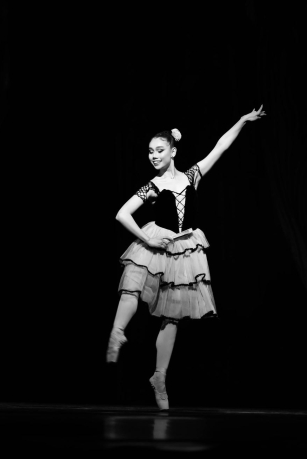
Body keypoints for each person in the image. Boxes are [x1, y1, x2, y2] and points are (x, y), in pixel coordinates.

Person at [107, 105, 266, 410]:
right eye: (150, 151)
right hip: (158, 244)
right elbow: (122, 214)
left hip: (185, 251)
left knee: (172, 317)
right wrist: (147, 239)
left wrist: (243, 121)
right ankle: (117, 332)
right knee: (133, 284)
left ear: (173, 151)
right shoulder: (153, 186)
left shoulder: (192, 175)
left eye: (159, 150)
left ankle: (159, 378)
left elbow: (220, 147)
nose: (153, 156)